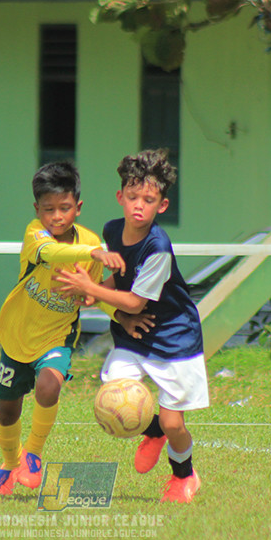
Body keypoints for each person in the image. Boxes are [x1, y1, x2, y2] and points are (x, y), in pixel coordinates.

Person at [54, 149, 208, 504]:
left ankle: (184, 475)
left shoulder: (158, 248)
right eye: (133, 196)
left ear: (162, 206)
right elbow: (122, 280)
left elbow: (137, 302)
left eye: (149, 200)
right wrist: (98, 291)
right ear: (120, 197)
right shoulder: (112, 230)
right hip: (135, 334)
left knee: (174, 424)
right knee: (113, 391)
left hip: (174, 336)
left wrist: (91, 289)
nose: (139, 205)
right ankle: (152, 431)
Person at [0, 161, 124, 496]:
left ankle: (33, 454)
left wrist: (122, 315)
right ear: (37, 209)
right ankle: (9, 464)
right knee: (7, 409)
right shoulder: (36, 234)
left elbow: (93, 294)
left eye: (64, 208)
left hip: (57, 335)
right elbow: (51, 253)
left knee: (49, 386)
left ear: (78, 207)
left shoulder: (90, 242)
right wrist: (94, 253)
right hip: (18, 333)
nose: (57, 217)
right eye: (48, 209)